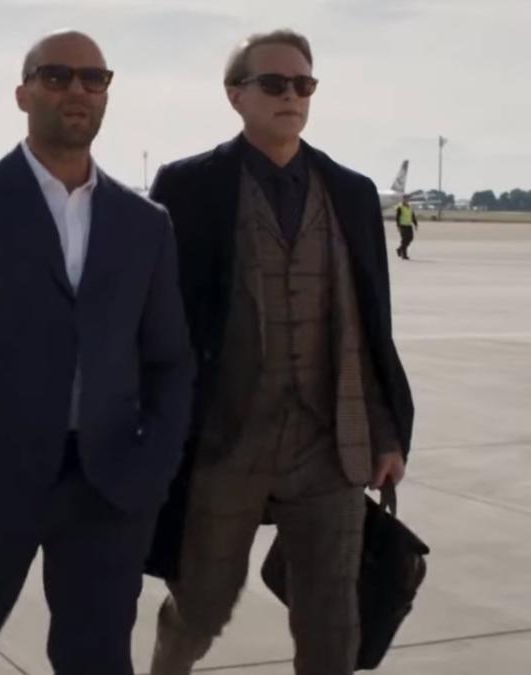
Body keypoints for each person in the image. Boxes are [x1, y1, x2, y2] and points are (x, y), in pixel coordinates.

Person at [0, 31, 194, 675]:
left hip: (108, 487)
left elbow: (170, 360)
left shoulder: (146, 223)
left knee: (98, 658)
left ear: (106, 94)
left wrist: (153, 468)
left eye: (93, 78)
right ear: (23, 94)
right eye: (56, 76)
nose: (77, 89)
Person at [146, 30, 415, 675]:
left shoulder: (350, 192)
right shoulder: (189, 187)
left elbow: (370, 327)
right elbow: (156, 321)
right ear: (235, 95)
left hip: (330, 445)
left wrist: (386, 432)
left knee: (332, 623)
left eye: (303, 84)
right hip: (225, 445)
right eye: (273, 83)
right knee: (201, 607)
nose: (291, 95)